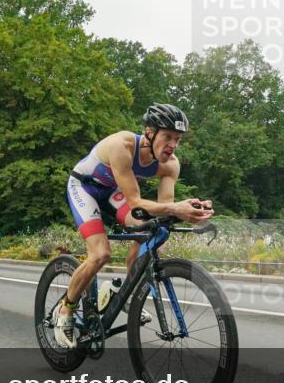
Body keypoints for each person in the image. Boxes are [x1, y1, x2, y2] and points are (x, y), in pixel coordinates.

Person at [54, 103, 213, 348]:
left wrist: (190, 210)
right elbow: (136, 201)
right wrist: (175, 208)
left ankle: (125, 292)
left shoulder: (171, 165)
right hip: (84, 187)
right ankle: (66, 309)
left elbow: (165, 208)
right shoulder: (123, 146)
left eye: (178, 139)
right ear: (150, 132)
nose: (172, 145)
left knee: (149, 229)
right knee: (100, 254)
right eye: (167, 137)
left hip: (111, 191)